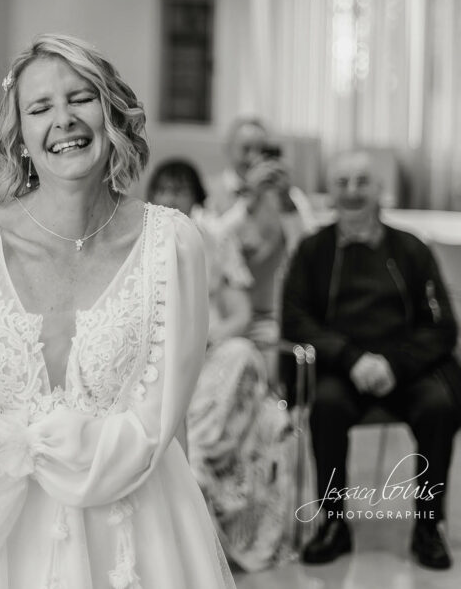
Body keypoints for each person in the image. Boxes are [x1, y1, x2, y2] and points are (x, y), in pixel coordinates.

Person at [0, 34, 234, 588]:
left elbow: (159, 427)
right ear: (21, 137)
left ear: (112, 114)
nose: (64, 120)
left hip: (135, 538)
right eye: (40, 107)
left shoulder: (172, 245)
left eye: (81, 98)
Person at [282, 150, 461, 570]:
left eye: (362, 182)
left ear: (380, 190)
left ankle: (428, 525)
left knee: (439, 405)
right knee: (325, 407)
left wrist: (393, 365)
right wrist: (352, 359)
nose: (352, 192)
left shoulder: (412, 249)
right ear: (331, 193)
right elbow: (295, 319)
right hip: (342, 369)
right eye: (342, 183)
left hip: (406, 368)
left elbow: (442, 327)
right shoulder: (312, 251)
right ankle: (333, 522)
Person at [148, 159, 294, 571]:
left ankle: (202, 454)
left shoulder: (213, 239)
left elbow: (241, 310)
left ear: (197, 197)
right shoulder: (135, 240)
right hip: (159, 354)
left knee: (242, 354)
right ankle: (189, 464)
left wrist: (208, 334)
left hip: (210, 349)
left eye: (180, 189)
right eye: (163, 188)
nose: (170, 197)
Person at [205, 116, 314, 358]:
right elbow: (211, 246)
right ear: (228, 149)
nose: (254, 158)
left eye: (261, 150)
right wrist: (249, 200)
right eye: (245, 149)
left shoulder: (289, 198)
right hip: (220, 315)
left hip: (269, 317)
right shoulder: (209, 192)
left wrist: (286, 201)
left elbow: (306, 253)